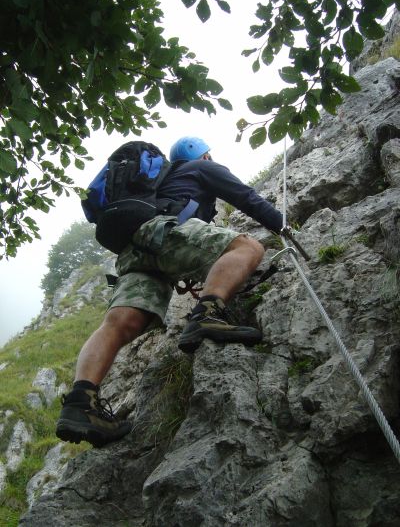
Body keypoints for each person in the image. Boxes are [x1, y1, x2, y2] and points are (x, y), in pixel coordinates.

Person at [56, 136, 283, 447]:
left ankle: (81, 402)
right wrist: (282, 225)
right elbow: (245, 196)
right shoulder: (201, 168)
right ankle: (208, 315)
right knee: (247, 248)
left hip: (132, 250)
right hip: (162, 231)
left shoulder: (158, 185)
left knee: (120, 324)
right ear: (203, 155)